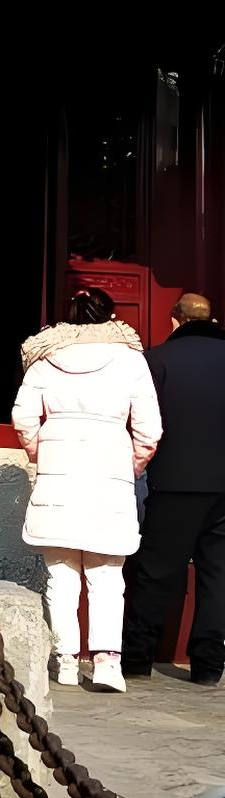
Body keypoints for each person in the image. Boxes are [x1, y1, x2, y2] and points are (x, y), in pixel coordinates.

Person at [12, 286, 161, 692]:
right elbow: (149, 429)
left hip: (59, 471)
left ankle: (65, 661)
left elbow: (23, 418)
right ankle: (108, 663)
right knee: (107, 575)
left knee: (61, 576)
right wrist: (132, 465)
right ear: (110, 317)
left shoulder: (44, 358)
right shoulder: (130, 360)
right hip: (110, 472)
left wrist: (42, 453)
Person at [123, 291, 225, 687]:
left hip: (174, 482)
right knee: (218, 576)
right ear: (211, 321)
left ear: (174, 320)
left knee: (156, 572)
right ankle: (208, 666)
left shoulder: (156, 360)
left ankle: (137, 657)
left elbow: (139, 422)